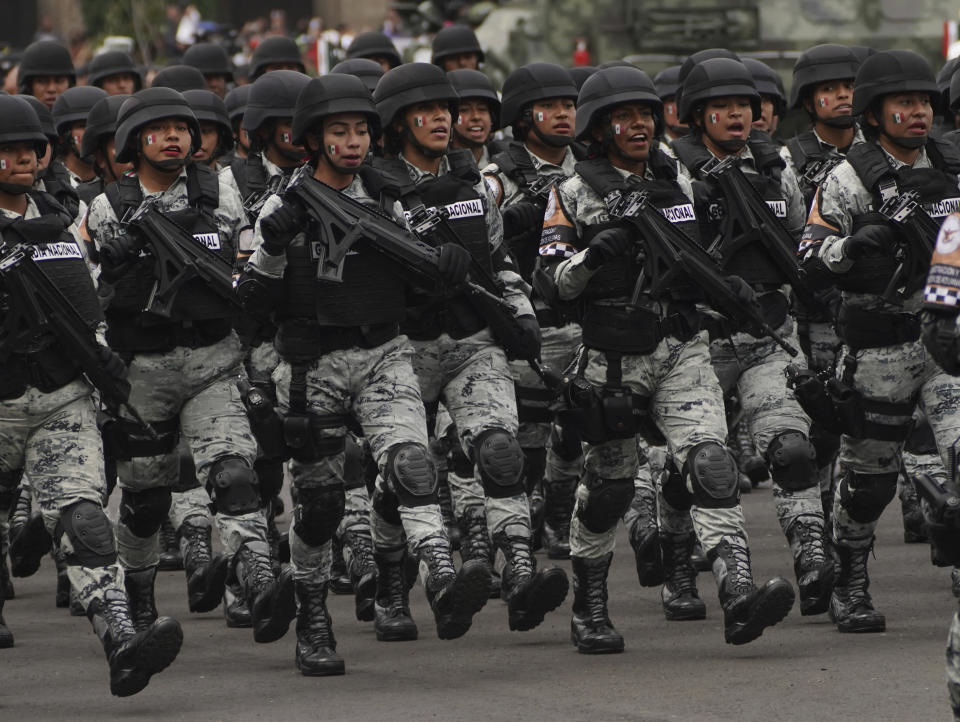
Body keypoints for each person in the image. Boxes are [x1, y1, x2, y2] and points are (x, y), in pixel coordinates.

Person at [240, 72, 496, 672]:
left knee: (412, 462)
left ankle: (439, 578)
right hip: (313, 367)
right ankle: (312, 617)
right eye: (339, 131)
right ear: (313, 138)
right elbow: (250, 297)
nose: (353, 142)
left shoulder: (390, 198)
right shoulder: (285, 202)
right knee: (322, 505)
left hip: (385, 353)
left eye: (361, 130)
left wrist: (448, 266)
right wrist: (274, 246)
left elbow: (423, 269)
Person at [538, 65, 794, 651]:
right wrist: (595, 257)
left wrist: (733, 289)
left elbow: (709, 249)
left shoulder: (681, 175)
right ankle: (591, 606)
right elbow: (553, 282)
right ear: (598, 129)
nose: (638, 126)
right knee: (608, 489)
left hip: (682, 346)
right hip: (611, 359)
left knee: (712, 464)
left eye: (646, 115)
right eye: (623, 118)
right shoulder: (574, 191)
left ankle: (737, 593)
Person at [83, 87, 295, 645]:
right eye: (161, 129)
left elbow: (246, 260)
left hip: (212, 360)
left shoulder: (220, 190)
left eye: (184, 127)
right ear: (135, 142)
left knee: (234, 474)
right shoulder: (109, 205)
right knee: (147, 499)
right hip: (143, 371)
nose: (176, 136)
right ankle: (140, 600)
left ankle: (258, 577)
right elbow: (93, 288)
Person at [372, 62, 570, 635]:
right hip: (402, 347)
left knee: (502, 452)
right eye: (425, 112)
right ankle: (394, 587)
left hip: (471, 341)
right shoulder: (375, 190)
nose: (442, 120)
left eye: (446, 111)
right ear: (397, 122)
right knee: (406, 472)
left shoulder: (472, 183)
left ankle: (521, 574)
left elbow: (499, 258)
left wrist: (523, 315)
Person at [0, 94, 182, 695]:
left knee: (84, 520)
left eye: (30, 147)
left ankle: (121, 640)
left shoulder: (63, 218)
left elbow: (88, 297)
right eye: (8, 149)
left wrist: (101, 360)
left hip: (62, 395)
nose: (22, 158)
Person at [800, 49, 960, 633]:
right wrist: (852, 249)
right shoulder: (845, 181)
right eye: (904, 103)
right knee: (869, 483)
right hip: (876, 349)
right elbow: (809, 259)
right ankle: (850, 580)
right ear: (874, 113)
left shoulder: (952, 167)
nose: (919, 113)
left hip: (947, 342)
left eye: (924, 102)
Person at [669, 56, 827, 616]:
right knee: (696, 466)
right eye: (722, 108)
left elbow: (801, 242)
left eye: (745, 106)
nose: (738, 116)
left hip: (769, 335)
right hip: (699, 343)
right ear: (697, 116)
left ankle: (813, 559)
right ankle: (679, 570)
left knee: (792, 450)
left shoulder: (774, 167)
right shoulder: (673, 173)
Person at [482, 63, 585, 559]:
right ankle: (516, 537)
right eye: (552, 107)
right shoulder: (497, 177)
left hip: (584, 321)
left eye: (570, 105)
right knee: (526, 436)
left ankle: (559, 519)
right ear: (524, 119)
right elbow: (477, 237)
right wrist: (516, 217)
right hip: (529, 321)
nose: (564, 114)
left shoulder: (591, 169)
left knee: (576, 432)